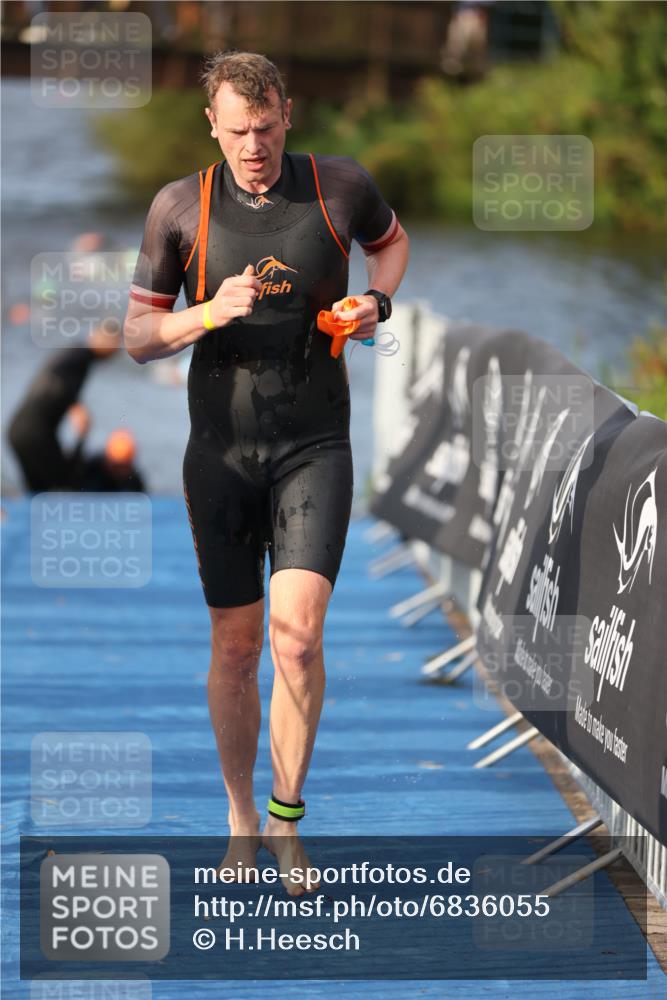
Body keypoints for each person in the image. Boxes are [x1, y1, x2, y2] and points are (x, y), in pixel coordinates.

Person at [123, 50, 409, 895]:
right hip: (218, 453)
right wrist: (208, 311)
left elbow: (389, 250)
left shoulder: (339, 186)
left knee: (298, 636)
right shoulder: (181, 208)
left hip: (314, 444)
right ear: (211, 122)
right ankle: (241, 818)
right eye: (237, 130)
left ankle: (287, 820)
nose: (254, 145)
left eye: (267, 126)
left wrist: (374, 303)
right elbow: (138, 337)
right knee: (237, 646)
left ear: (289, 113)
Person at [8, 326, 145, 493]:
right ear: (99, 337)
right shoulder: (80, 355)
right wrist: (75, 405)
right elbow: (56, 376)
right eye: (116, 344)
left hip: (19, 431)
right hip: (33, 433)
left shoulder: (80, 356)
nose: (115, 352)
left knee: (41, 490)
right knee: (63, 485)